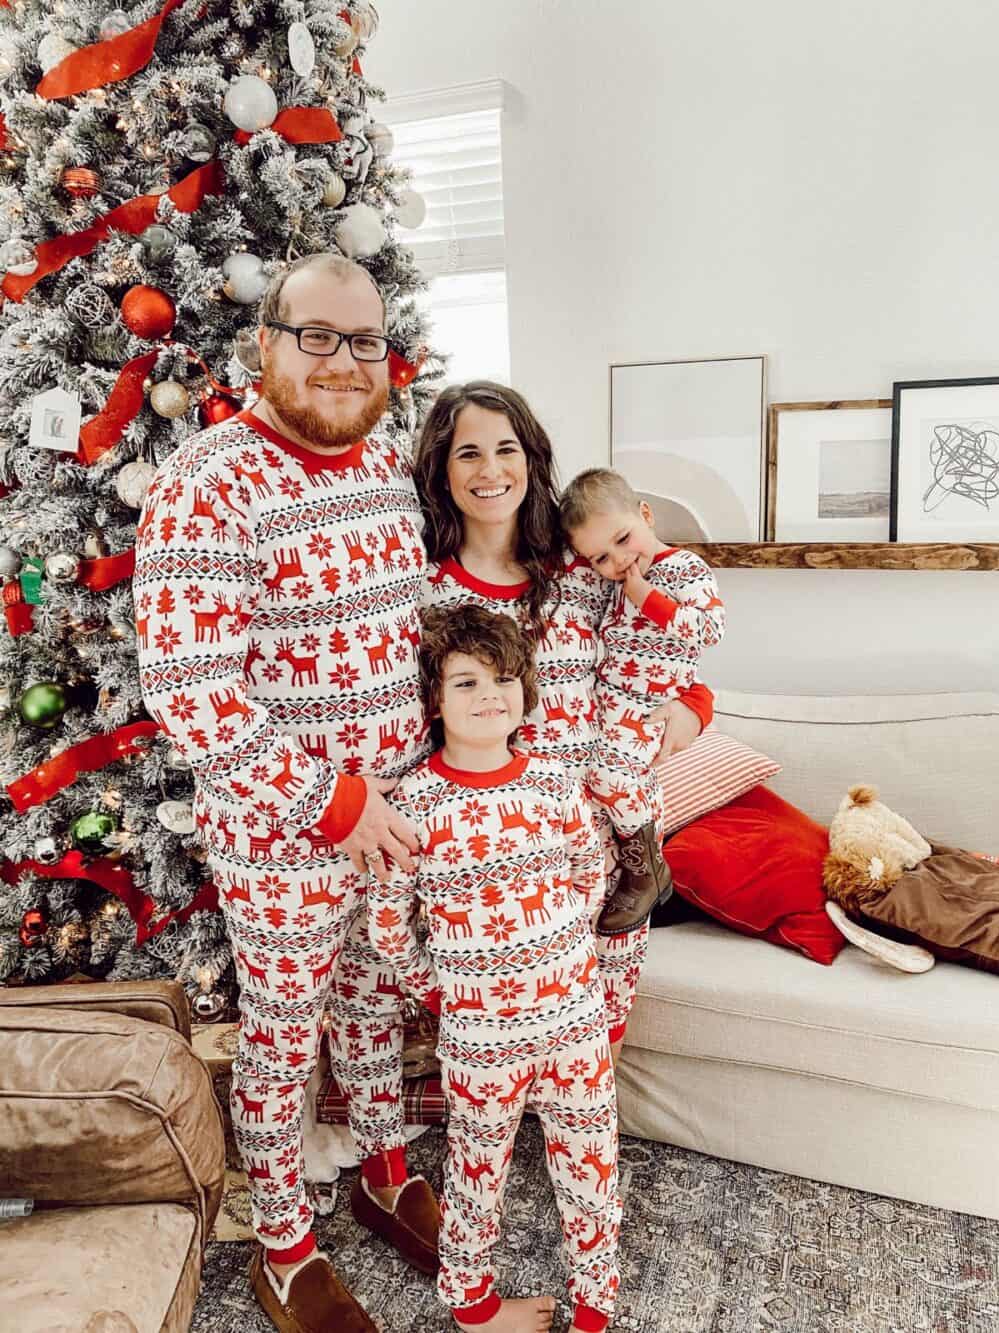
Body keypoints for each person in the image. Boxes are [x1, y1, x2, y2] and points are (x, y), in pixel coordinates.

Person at [134, 254, 439, 1333]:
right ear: (266, 342)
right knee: (284, 1034)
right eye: (320, 335)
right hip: (284, 837)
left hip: (396, 820)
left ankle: (386, 1172)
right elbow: (189, 687)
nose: (346, 361)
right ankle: (283, 1243)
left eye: (366, 340)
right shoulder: (206, 480)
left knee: (375, 1002)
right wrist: (332, 804)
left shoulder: (392, 468)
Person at [414, 381, 714, 1062]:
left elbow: (667, 652)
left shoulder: (582, 565)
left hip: (612, 827)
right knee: (516, 1026)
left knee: (603, 1007)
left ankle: (587, 1152)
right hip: (502, 845)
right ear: (441, 467)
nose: (491, 470)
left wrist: (694, 708)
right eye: (467, 453)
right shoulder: (426, 588)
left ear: (532, 457)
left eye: (506, 448)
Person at [369, 604, 620, 1333]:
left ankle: (597, 1306)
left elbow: (587, 871)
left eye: (505, 678)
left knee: (592, 1167)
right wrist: (445, 991)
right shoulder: (416, 801)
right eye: (468, 680)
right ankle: (474, 1304)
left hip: (574, 1021)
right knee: (478, 1172)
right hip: (481, 1036)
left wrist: (561, 949)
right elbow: (390, 924)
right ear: (434, 699)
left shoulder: (551, 783)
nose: (490, 695)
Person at [559, 468, 726, 934]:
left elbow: (708, 630)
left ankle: (647, 867)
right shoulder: (610, 586)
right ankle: (619, 869)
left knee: (611, 772)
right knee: (592, 784)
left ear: (645, 515)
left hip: (652, 707)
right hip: (610, 708)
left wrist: (644, 594)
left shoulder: (684, 569)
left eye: (623, 539)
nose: (617, 561)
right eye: (600, 558)